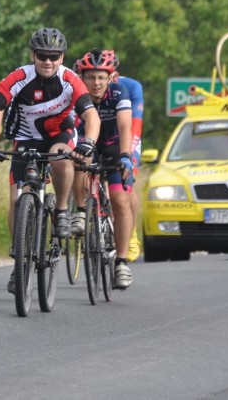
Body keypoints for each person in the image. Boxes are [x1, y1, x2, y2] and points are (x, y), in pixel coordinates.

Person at [0, 27, 100, 293]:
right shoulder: (20, 77)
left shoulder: (70, 79)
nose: (48, 61)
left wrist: (88, 143)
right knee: (18, 199)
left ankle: (61, 209)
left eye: (54, 56)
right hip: (26, 139)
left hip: (58, 135)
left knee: (62, 157)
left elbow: (91, 117)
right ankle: (19, 261)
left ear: (62, 57)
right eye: (42, 56)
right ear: (33, 55)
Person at [71, 49, 135, 289]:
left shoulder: (120, 92)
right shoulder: (76, 94)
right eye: (91, 77)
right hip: (86, 145)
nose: (96, 83)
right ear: (82, 78)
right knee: (80, 161)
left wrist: (127, 155)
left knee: (120, 200)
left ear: (111, 78)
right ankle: (80, 211)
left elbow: (126, 126)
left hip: (114, 147)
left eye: (101, 77)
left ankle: (121, 261)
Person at [114, 72, 145, 262]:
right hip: (101, 135)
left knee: (127, 182)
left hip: (127, 134)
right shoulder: (81, 84)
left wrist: (128, 155)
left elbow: (134, 124)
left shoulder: (131, 86)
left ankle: (131, 233)